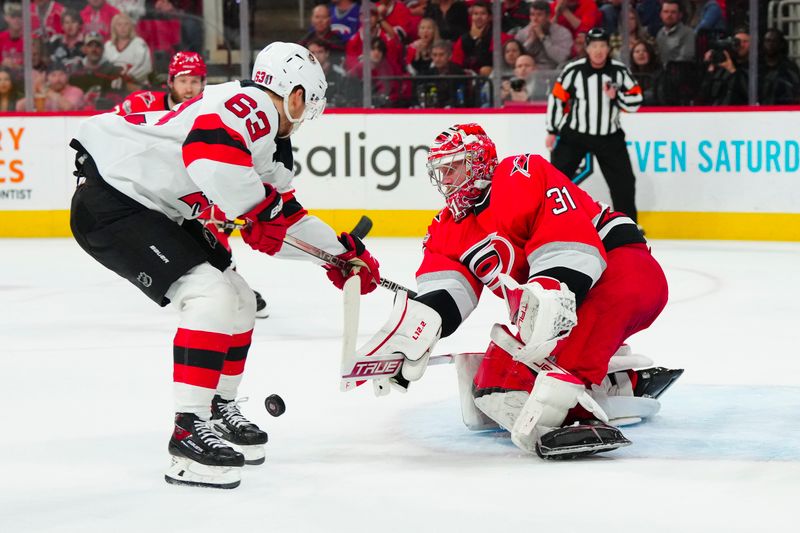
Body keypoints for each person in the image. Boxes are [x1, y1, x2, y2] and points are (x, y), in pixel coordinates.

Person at [68, 42, 381, 489]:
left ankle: (217, 406)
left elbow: (283, 218)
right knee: (209, 294)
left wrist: (340, 253)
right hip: (115, 201)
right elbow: (209, 156)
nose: (308, 113)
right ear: (294, 95)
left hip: (153, 206)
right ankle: (187, 432)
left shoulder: (261, 133)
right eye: (309, 102)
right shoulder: (249, 107)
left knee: (237, 298)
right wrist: (257, 210)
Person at [348, 122, 673, 458]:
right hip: (564, 304)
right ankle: (618, 379)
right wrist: (412, 335)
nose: (446, 180)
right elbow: (446, 290)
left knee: (539, 368)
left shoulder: (522, 174)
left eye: (453, 167)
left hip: (621, 268)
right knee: (494, 384)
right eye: (440, 171)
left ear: (480, 160)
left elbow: (569, 244)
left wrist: (550, 290)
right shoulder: (448, 227)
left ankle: (578, 411)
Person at [546, 28, 643, 223]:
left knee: (624, 182)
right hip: (575, 134)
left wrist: (617, 98)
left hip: (609, 136)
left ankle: (627, 225)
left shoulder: (619, 70)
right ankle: (546, 221)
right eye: (594, 46)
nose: (598, 50)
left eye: (602, 46)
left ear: (608, 48)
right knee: (554, 179)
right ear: (587, 48)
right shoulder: (573, 70)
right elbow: (557, 99)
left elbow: (636, 100)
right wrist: (552, 130)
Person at [515, 1, 572, 71]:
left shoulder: (562, 33)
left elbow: (561, 58)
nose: (535, 19)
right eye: (532, 15)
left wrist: (543, 38)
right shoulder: (522, 33)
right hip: (527, 74)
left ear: (548, 17)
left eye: (539, 15)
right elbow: (516, 60)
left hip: (553, 73)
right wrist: (531, 40)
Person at [103, 11, 152, 90]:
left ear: (131, 26)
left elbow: (145, 67)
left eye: (126, 24)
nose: (123, 28)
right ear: (114, 27)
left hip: (135, 85)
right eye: (119, 25)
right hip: (112, 86)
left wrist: (127, 78)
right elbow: (103, 66)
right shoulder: (108, 46)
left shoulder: (139, 43)